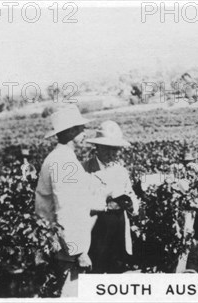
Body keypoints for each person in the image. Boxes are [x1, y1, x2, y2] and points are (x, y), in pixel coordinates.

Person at [34, 105, 123, 296]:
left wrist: (104, 206)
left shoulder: (61, 158)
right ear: (71, 131)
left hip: (61, 245)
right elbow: (66, 208)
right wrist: (78, 252)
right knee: (70, 293)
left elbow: (78, 199)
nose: (84, 132)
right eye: (80, 128)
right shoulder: (64, 162)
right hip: (67, 251)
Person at [83, 120, 140, 274]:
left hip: (119, 234)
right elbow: (79, 203)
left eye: (115, 150)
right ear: (98, 147)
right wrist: (106, 206)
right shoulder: (85, 170)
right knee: (96, 275)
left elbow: (131, 194)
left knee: (117, 274)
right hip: (96, 234)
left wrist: (132, 205)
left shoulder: (120, 171)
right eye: (107, 149)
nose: (112, 154)